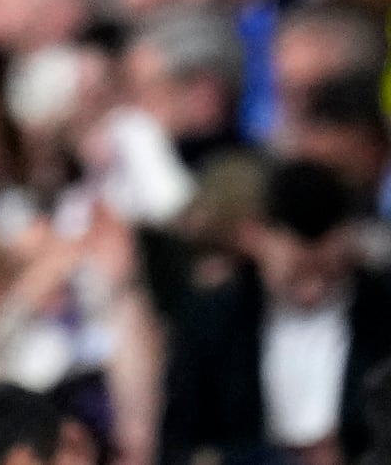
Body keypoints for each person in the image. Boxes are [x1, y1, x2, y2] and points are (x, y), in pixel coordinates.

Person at [162, 161, 391, 465]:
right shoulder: (214, 319)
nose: (313, 291)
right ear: (256, 238)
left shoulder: (383, 313)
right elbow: (179, 443)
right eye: (297, 273)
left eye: (326, 273)